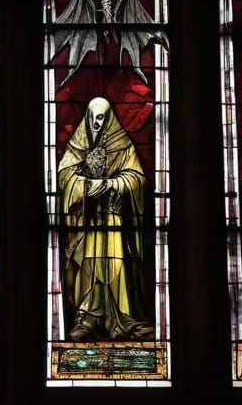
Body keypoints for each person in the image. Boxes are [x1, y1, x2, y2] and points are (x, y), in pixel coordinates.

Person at [57, 96, 155, 341]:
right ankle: (88, 317)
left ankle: (120, 316)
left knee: (115, 265)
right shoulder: (78, 144)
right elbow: (65, 175)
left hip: (113, 219)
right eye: (94, 118)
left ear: (109, 118)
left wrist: (112, 184)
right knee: (89, 265)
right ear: (88, 118)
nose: (97, 123)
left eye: (102, 118)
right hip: (88, 222)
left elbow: (137, 179)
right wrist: (87, 185)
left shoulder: (123, 145)